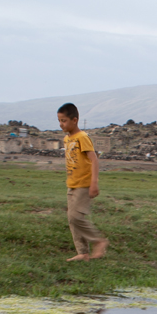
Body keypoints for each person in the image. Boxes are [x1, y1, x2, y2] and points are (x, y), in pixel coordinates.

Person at [57, 103, 109, 261]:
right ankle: (83, 253)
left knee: (76, 217)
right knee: (71, 219)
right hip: (72, 183)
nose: (61, 124)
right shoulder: (67, 139)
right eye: (59, 120)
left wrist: (94, 183)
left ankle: (99, 241)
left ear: (75, 120)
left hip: (84, 183)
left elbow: (94, 160)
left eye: (64, 120)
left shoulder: (82, 138)